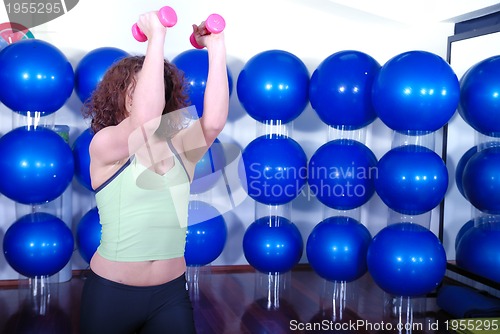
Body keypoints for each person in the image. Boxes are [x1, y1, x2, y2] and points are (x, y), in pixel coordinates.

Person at [79, 9, 229, 334]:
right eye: (136, 88)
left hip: (170, 292)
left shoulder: (177, 141)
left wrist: (216, 47)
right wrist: (156, 36)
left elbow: (214, 121)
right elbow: (144, 126)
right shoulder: (106, 143)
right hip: (111, 293)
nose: (148, 95)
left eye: (153, 86)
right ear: (119, 96)